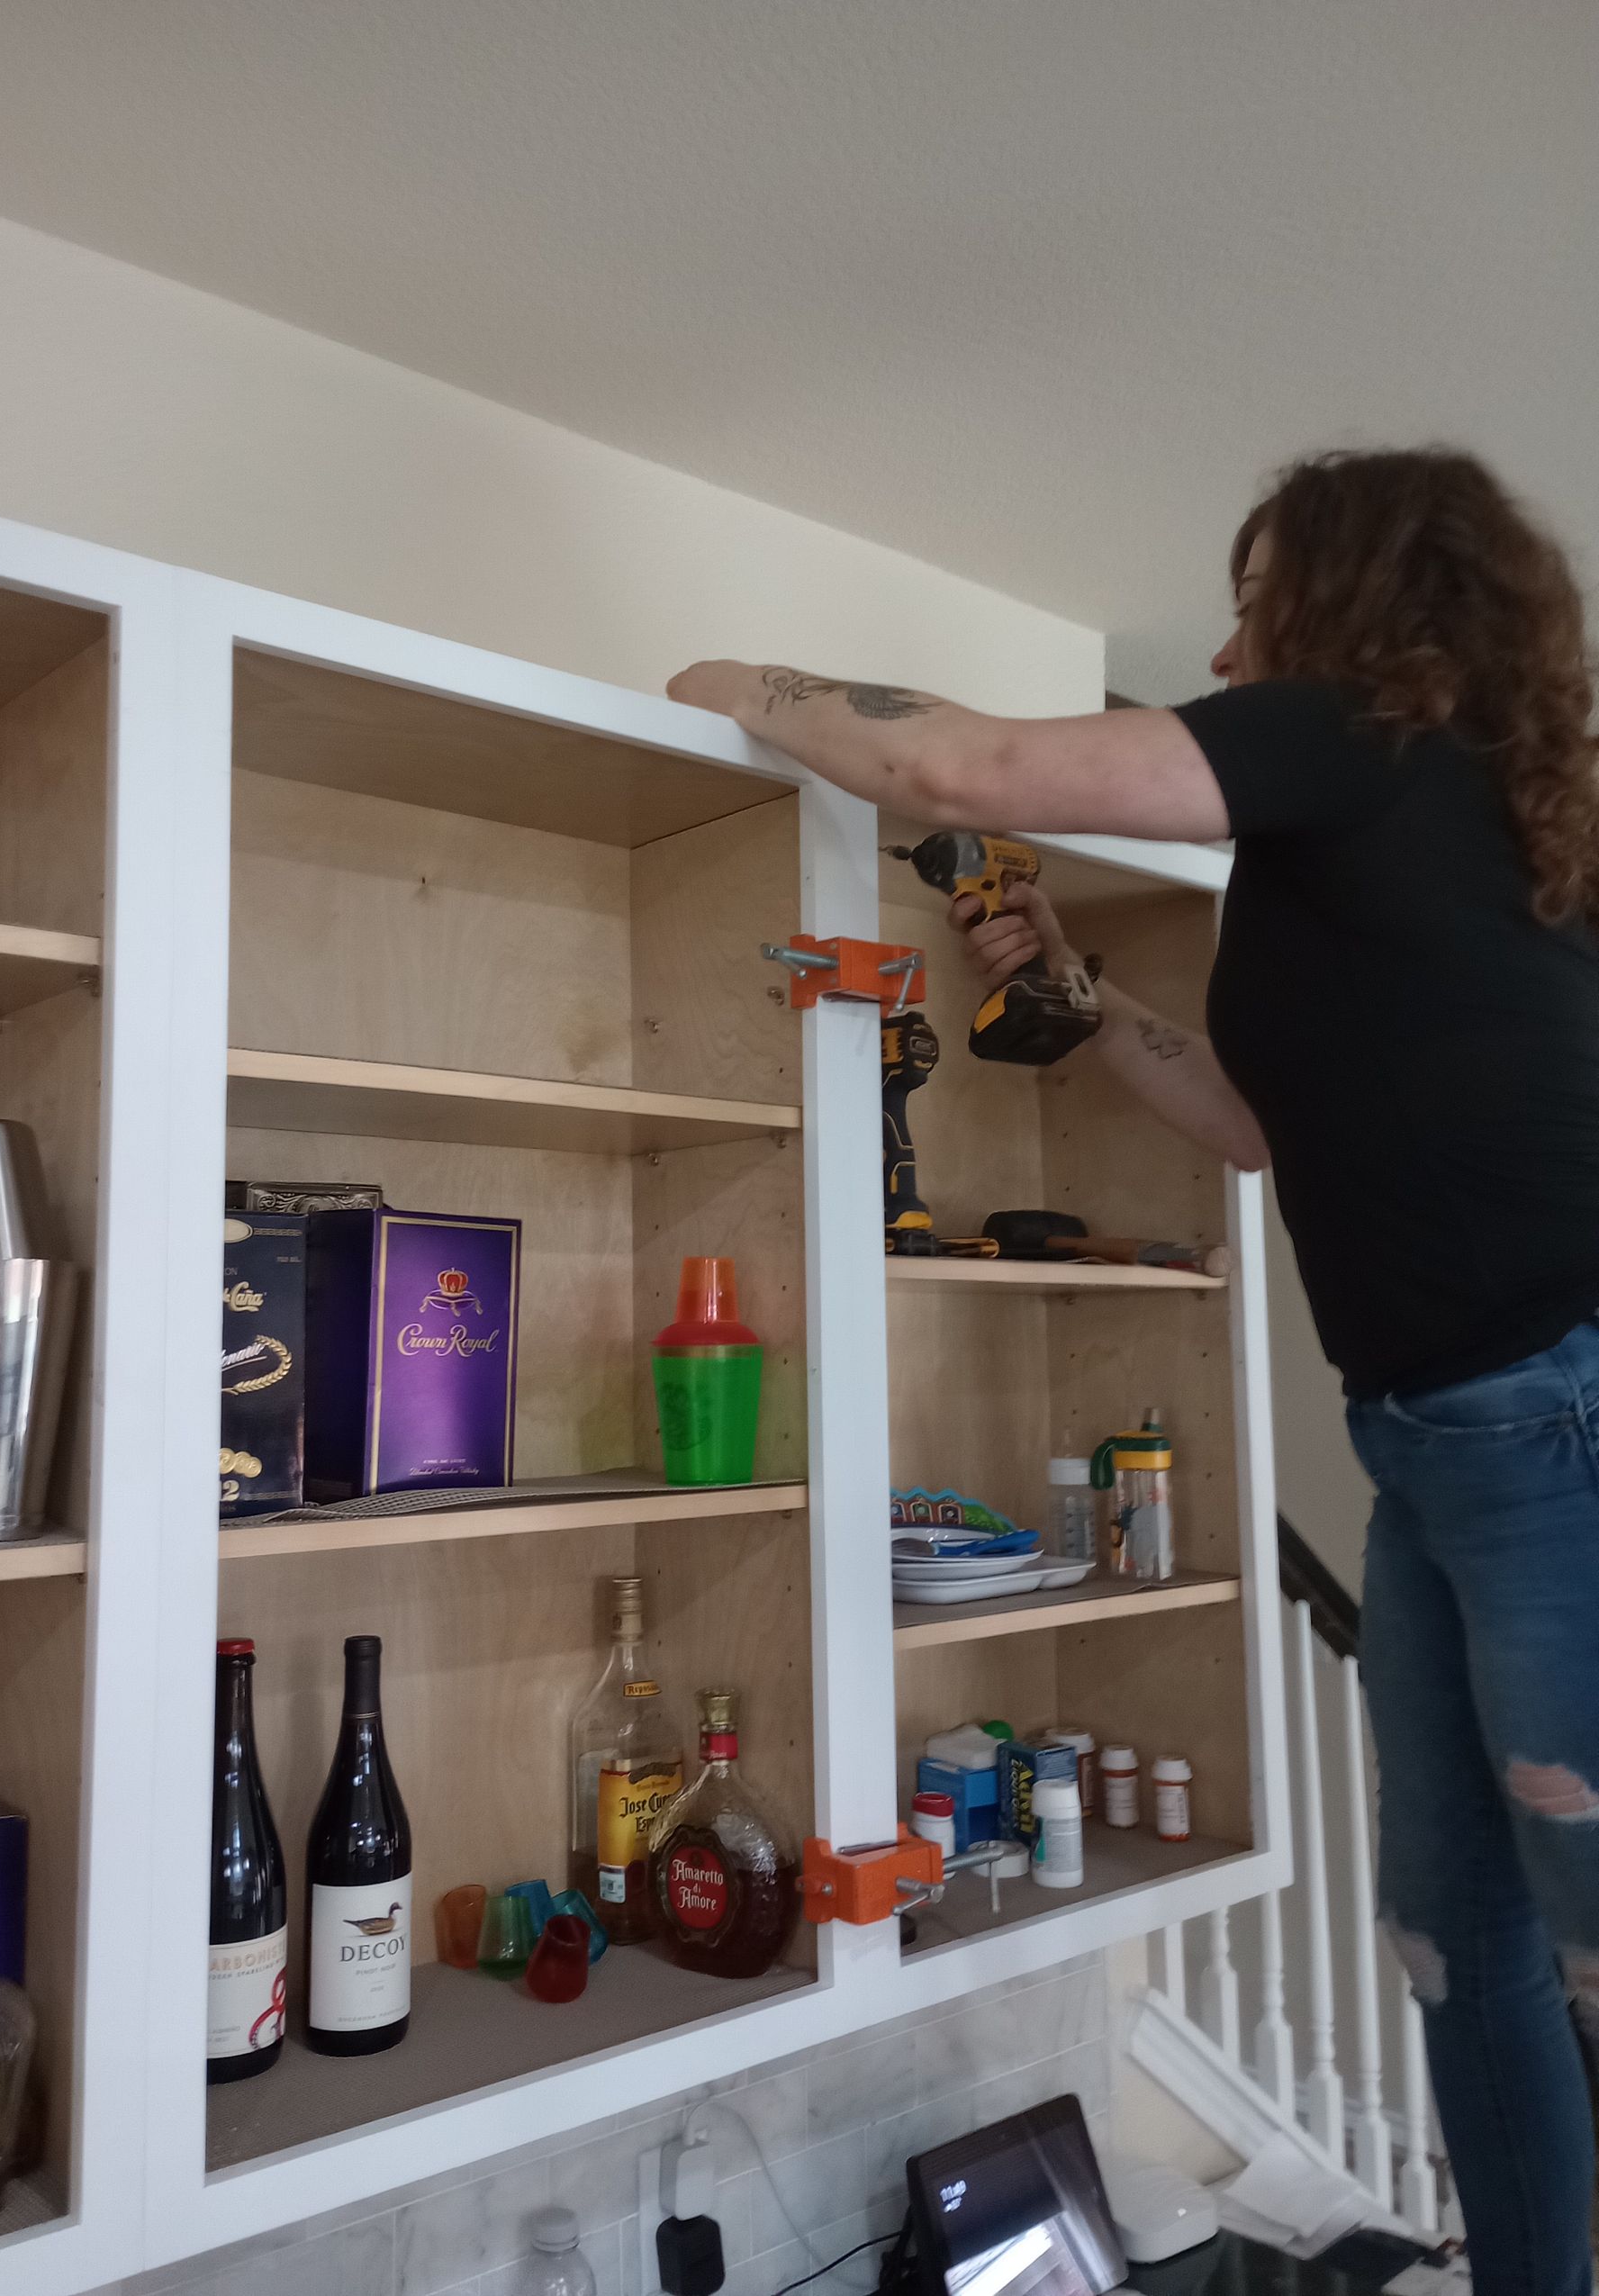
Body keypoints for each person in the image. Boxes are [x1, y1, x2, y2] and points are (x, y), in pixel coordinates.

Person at [670, 447, 1599, 2296]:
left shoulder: (1368, 739)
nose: (1233, 633)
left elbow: (961, 765)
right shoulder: (1382, 840)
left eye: (1256, 596)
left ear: (1349, 607)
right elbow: (1259, 1128)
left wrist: (740, 693)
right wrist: (1077, 991)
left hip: (1555, 1417)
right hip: (1428, 1441)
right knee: (1449, 1935)